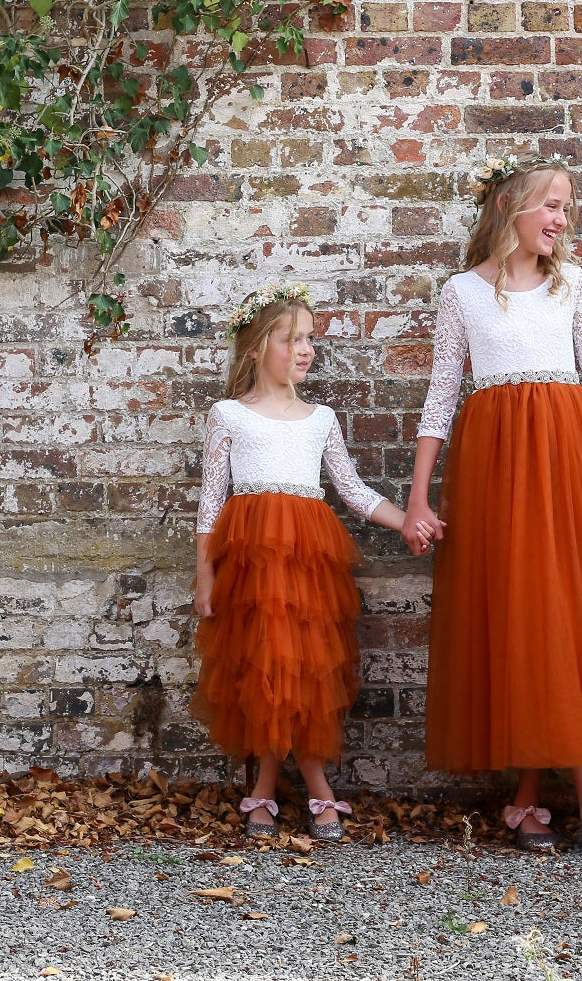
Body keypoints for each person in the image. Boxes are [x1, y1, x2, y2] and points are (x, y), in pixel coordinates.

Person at [404, 157, 582, 861]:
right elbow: (439, 398)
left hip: (568, 462)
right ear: (509, 207)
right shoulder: (461, 293)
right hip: (494, 469)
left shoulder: (572, 284)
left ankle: (557, 799)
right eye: (551, 205)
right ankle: (551, 800)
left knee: (562, 612)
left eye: (567, 208)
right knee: (522, 615)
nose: (561, 219)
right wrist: (420, 496)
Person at [191, 281, 407, 842]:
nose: (306, 349)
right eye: (292, 339)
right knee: (264, 667)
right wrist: (205, 571)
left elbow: (354, 492)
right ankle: (285, 786)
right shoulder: (229, 415)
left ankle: (294, 784)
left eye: (310, 338)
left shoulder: (321, 419)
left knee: (306, 670)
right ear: (258, 346)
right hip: (253, 565)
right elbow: (211, 501)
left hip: (309, 565)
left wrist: (408, 519)